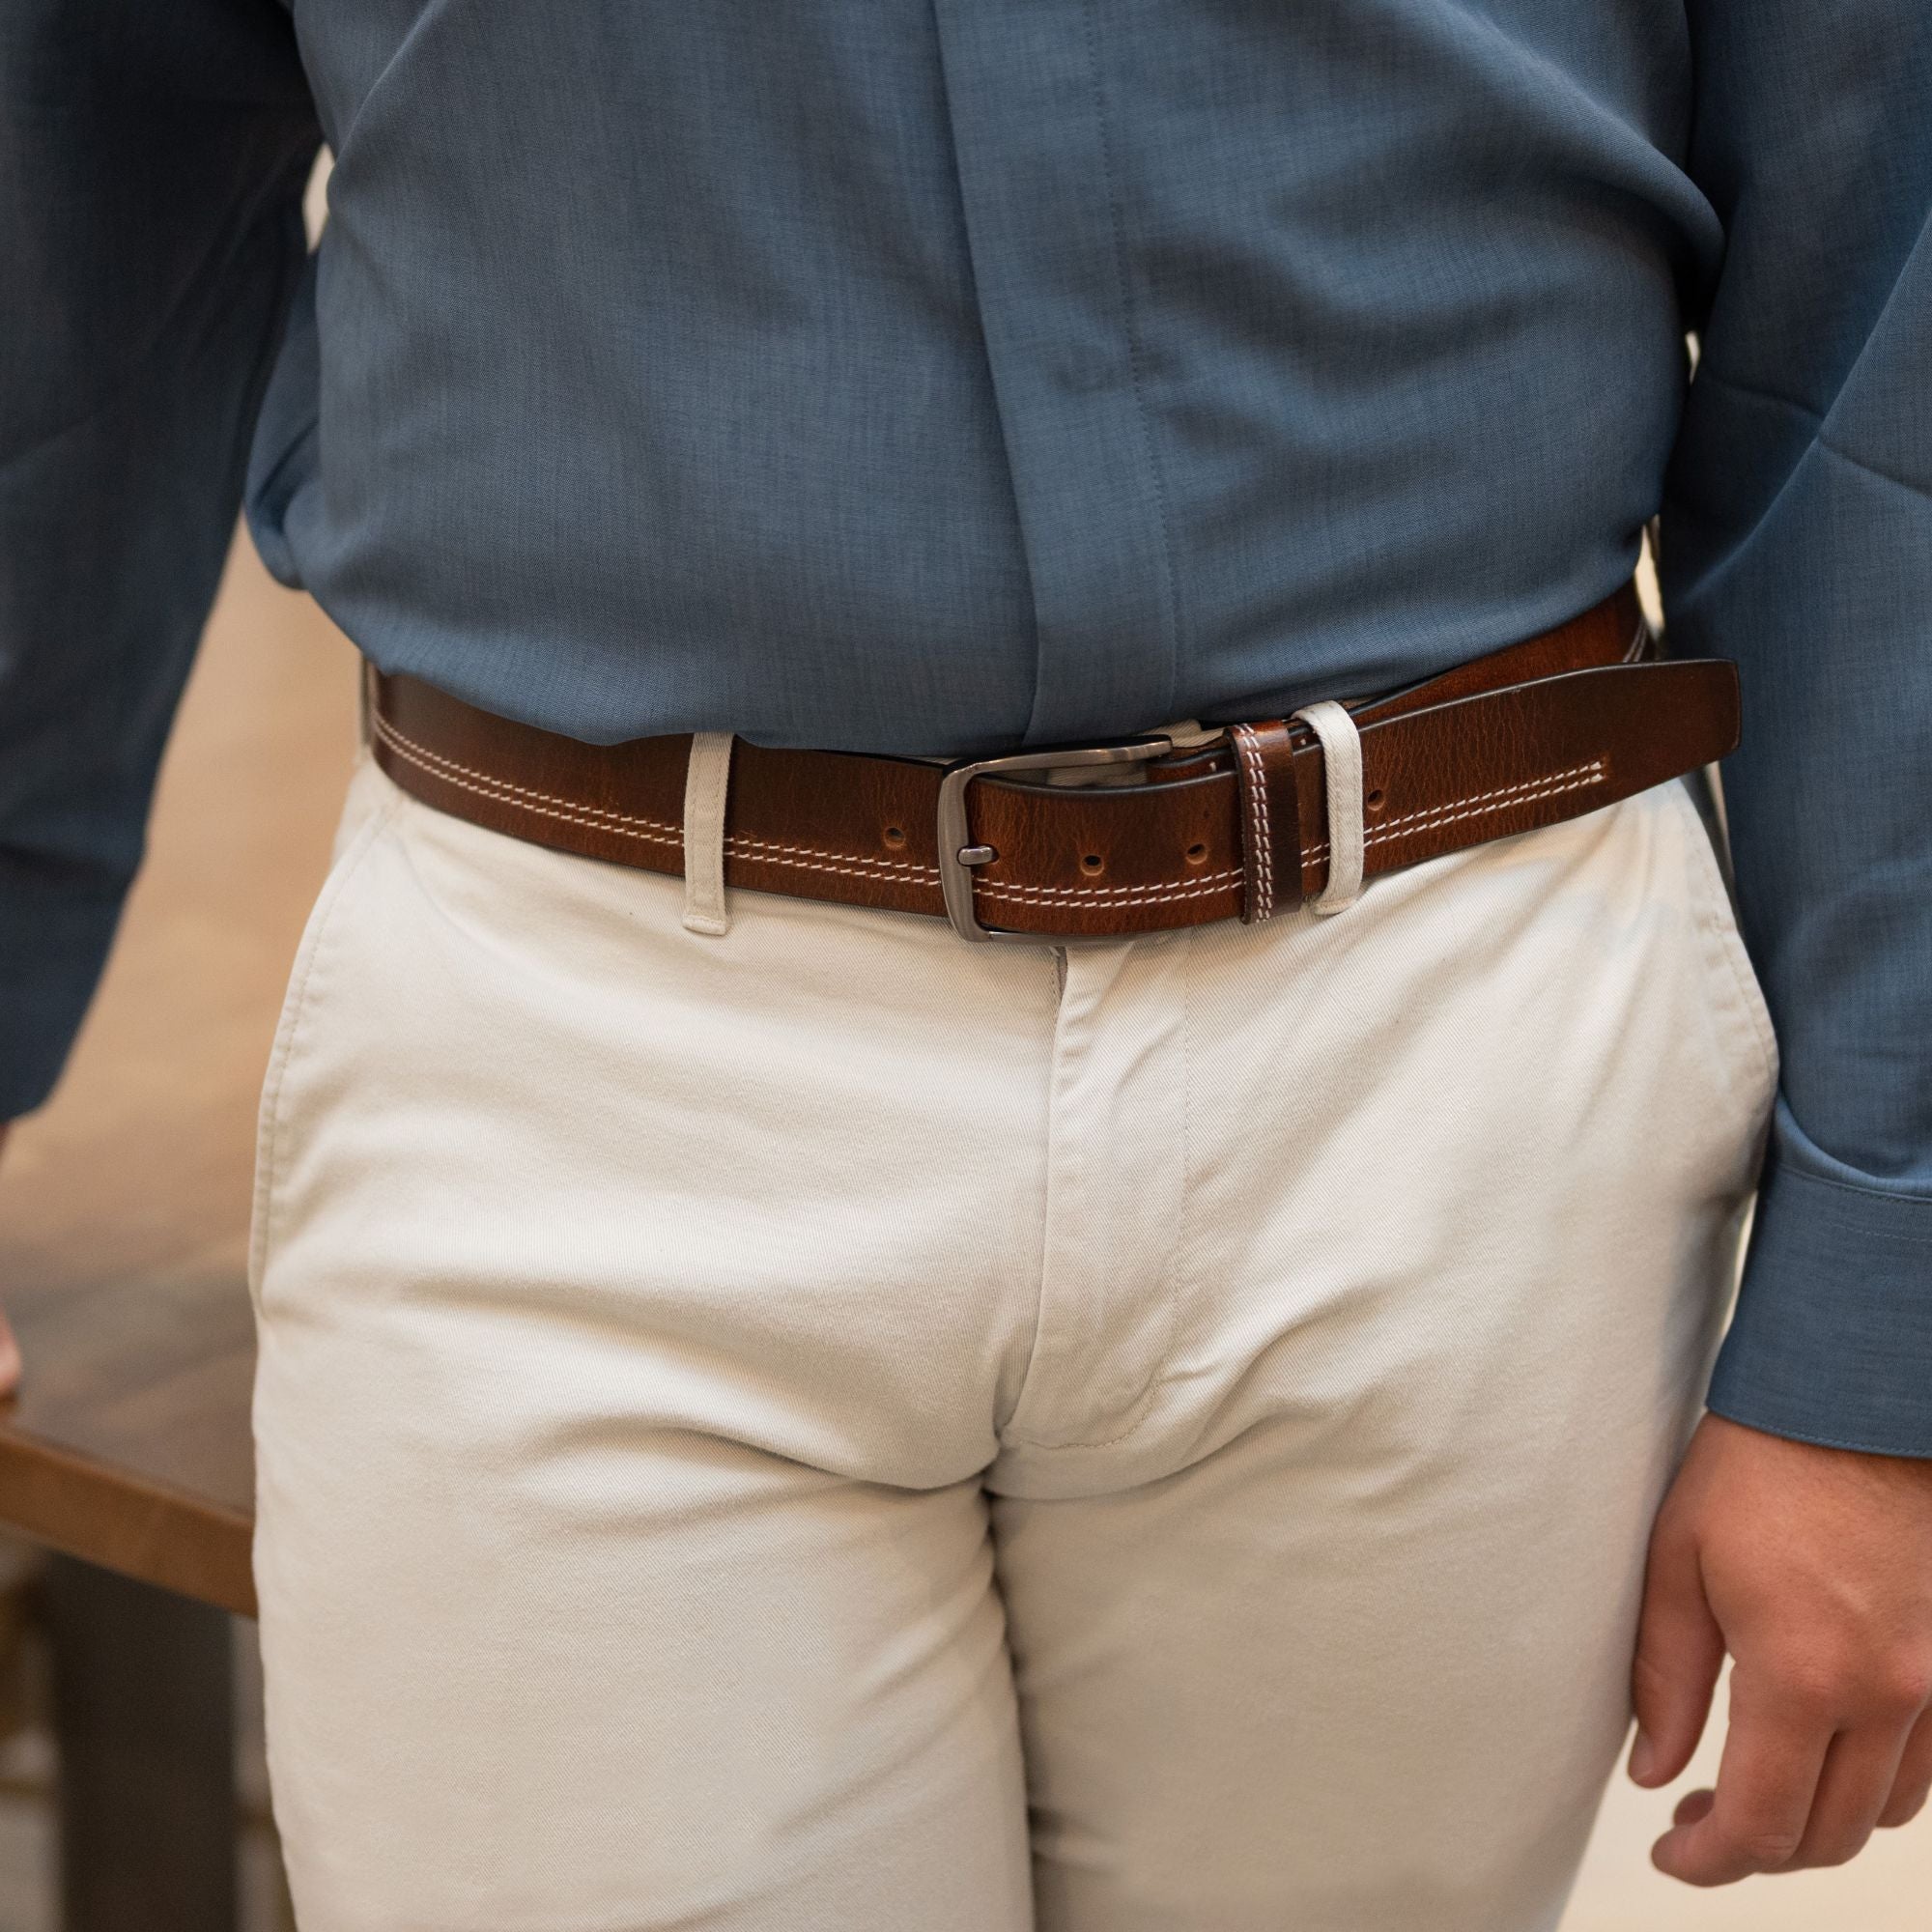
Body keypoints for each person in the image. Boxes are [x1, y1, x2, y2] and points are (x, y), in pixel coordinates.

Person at [3, 3, 1928, 1927]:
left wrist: (1882, 1326)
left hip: (1448, 1031)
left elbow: (1874, 267)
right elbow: (67, 187)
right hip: (576, 1056)